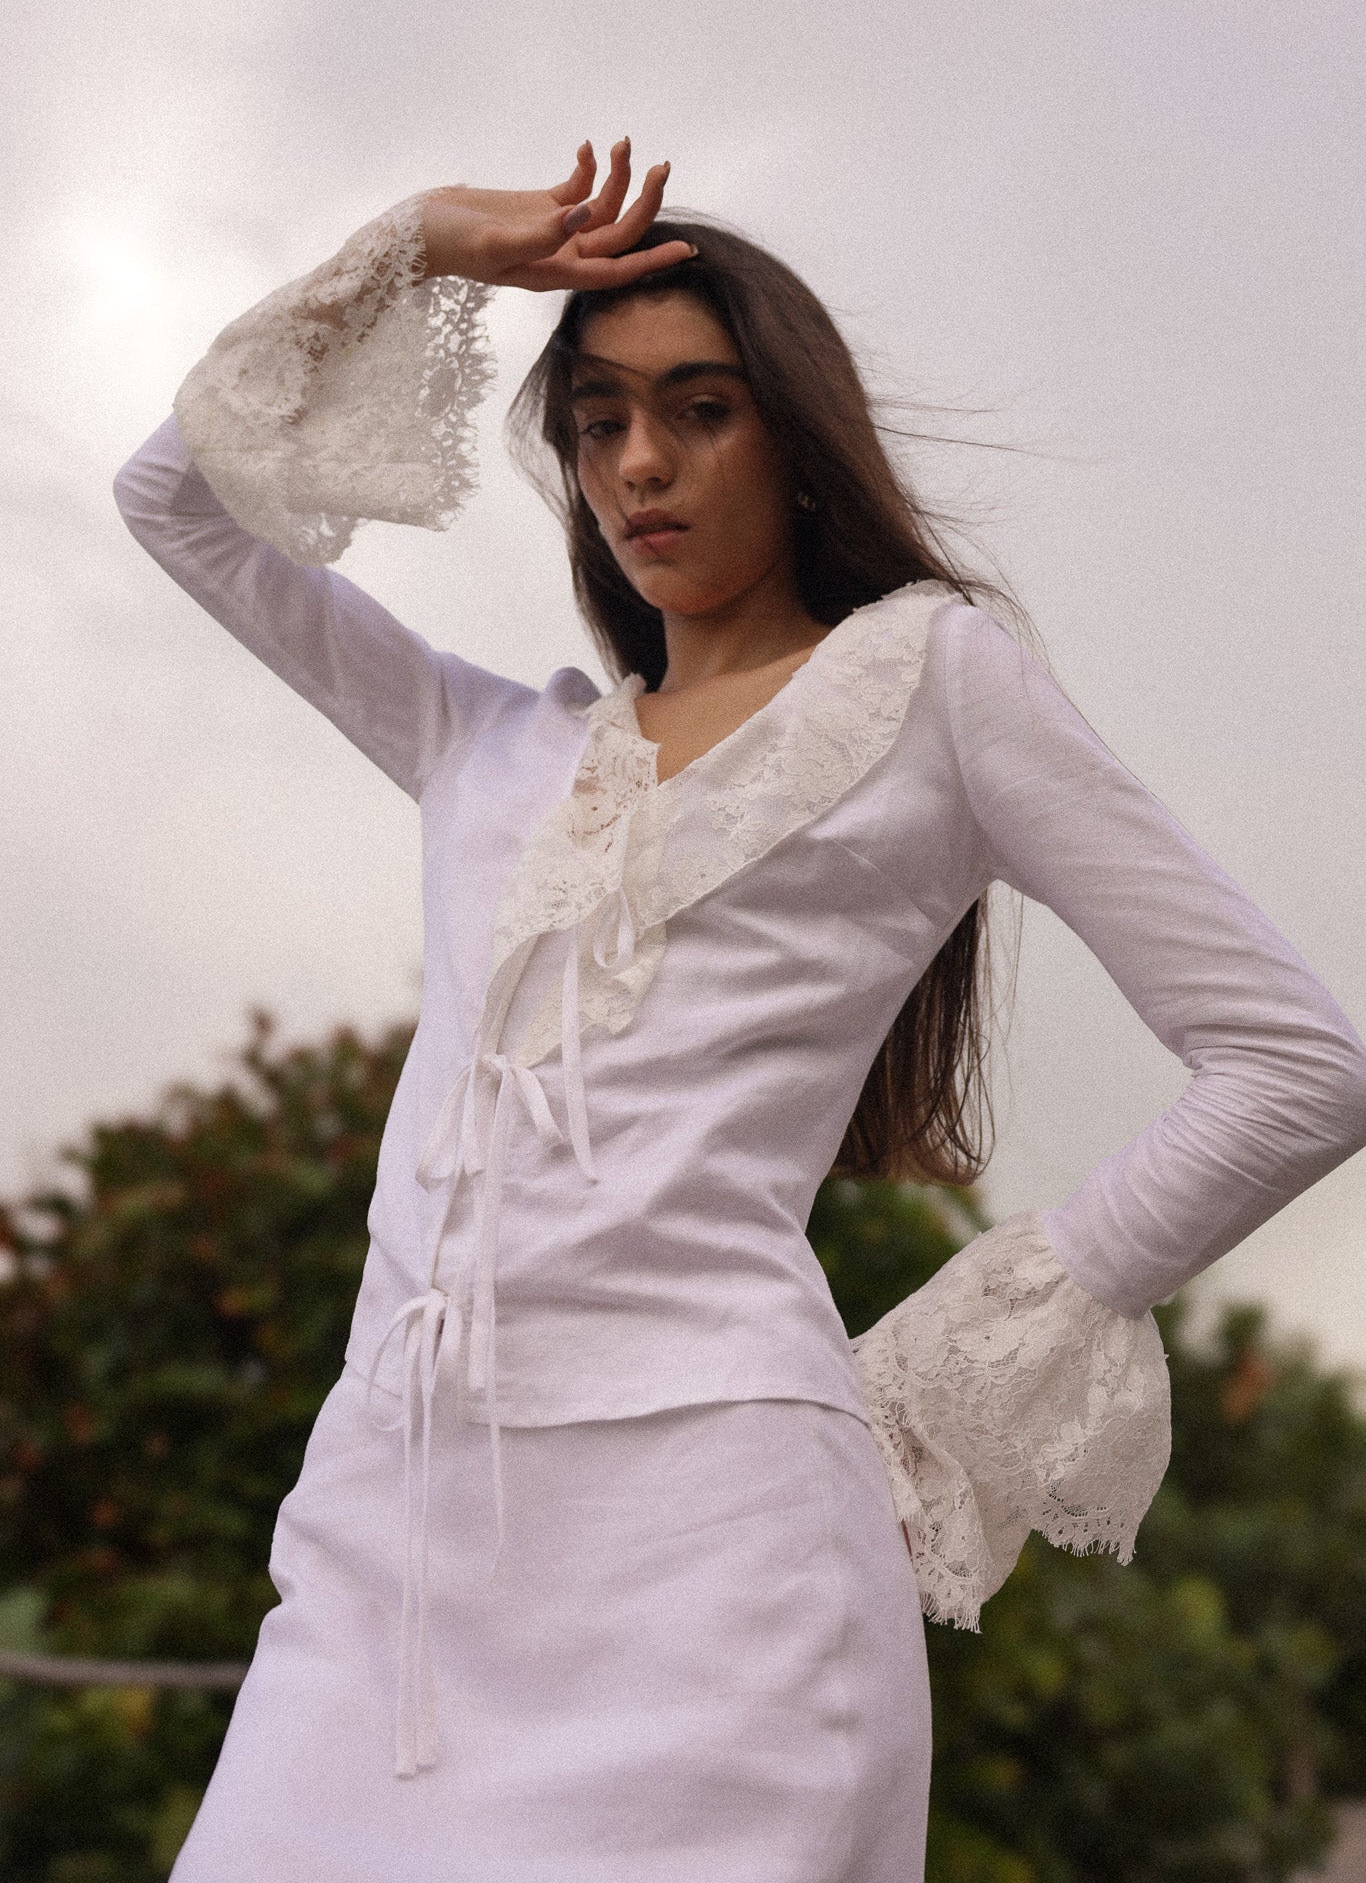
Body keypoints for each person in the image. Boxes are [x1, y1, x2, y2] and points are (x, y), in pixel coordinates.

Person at [113, 139, 1366, 1882]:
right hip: (382, 1560)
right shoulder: (488, 742)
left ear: (794, 435)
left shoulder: (930, 679)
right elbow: (173, 502)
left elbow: (1297, 1063)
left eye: (698, 409)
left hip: (718, 1561)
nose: (638, 463)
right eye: (596, 421)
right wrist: (417, 247)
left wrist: (953, 1361)